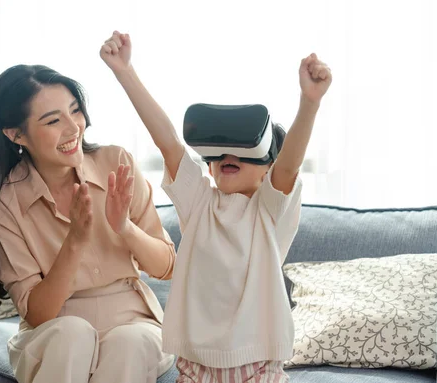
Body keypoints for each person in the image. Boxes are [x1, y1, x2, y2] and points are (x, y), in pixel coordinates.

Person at [101, 30, 332, 382]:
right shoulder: (200, 204)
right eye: (219, 151)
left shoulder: (269, 212)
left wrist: (310, 101)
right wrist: (125, 72)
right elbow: (168, 142)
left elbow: (288, 166)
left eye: (244, 152)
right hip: (196, 366)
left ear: (268, 168)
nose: (229, 156)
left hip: (258, 366)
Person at [0, 46, 176, 382]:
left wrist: (126, 228)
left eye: (75, 111)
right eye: (53, 120)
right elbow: (40, 313)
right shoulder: (7, 202)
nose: (73, 128)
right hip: (55, 332)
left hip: (135, 323)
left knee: (127, 343)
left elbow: (166, 266)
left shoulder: (116, 162)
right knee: (73, 334)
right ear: (15, 134)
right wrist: (74, 241)